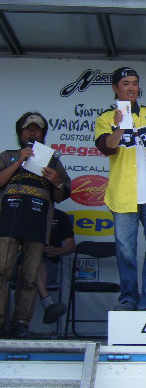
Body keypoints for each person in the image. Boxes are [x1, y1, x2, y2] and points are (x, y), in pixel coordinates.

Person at [95, 67, 146, 311]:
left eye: (134, 83)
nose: (131, 88)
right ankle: (128, 298)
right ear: (115, 88)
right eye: (125, 83)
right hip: (124, 193)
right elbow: (107, 147)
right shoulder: (105, 118)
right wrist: (119, 126)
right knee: (126, 251)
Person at [0, 112, 71, 337]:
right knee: (2, 271)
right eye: (27, 129)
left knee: (29, 276)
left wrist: (56, 182)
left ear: (43, 134)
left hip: (38, 222)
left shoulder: (53, 161)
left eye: (37, 129)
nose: (32, 133)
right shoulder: (7, 156)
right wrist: (18, 161)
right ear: (20, 133)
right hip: (7, 220)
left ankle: (21, 322)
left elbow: (60, 196)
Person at [36, 208, 75, 325]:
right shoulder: (23, 213)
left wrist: (56, 251)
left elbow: (71, 246)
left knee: (34, 266)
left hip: (48, 264)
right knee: (32, 262)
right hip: (20, 263)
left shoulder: (60, 216)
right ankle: (48, 304)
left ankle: (19, 323)